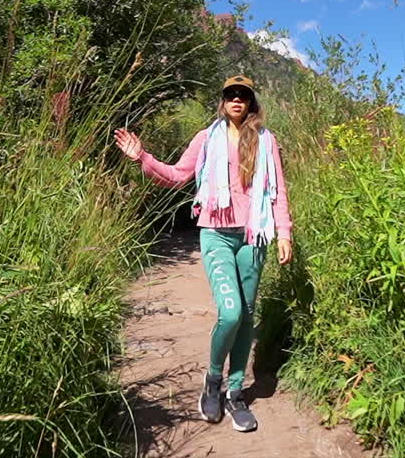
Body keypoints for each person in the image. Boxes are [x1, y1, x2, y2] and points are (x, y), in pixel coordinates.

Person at [113, 75, 293, 433]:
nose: (237, 99)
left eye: (243, 95)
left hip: (254, 235)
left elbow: (278, 190)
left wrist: (283, 231)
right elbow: (179, 175)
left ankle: (236, 392)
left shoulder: (266, 141)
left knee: (247, 315)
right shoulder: (205, 138)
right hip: (216, 234)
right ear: (223, 101)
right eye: (231, 94)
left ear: (251, 101)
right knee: (231, 312)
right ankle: (213, 380)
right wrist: (143, 158)